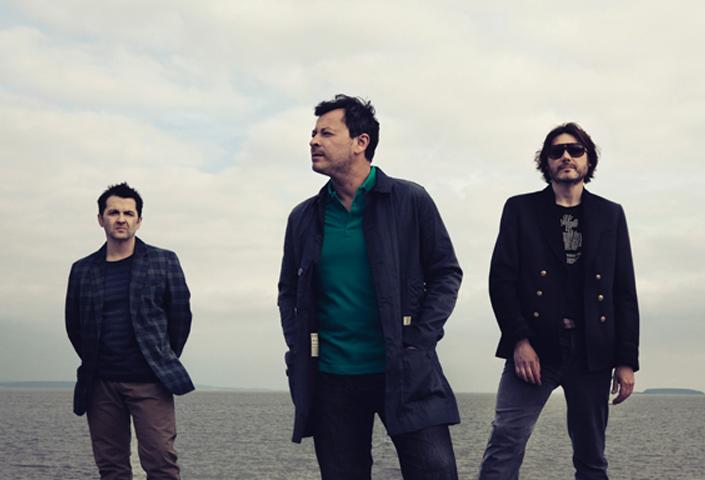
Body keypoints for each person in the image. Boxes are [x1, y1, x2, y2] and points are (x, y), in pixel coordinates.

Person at [278, 94, 463, 479]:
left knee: (435, 472)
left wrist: (420, 339)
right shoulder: (303, 217)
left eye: (326, 133)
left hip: (405, 370)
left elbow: (446, 273)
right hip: (331, 378)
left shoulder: (410, 200)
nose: (313, 141)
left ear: (360, 142)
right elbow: (288, 292)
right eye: (313, 133)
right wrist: (298, 346)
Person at [478, 123, 640, 479]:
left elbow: (624, 292)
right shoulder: (520, 209)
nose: (566, 156)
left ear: (588, 160)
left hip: (593, 351)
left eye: (575, 150)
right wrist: (519, 341)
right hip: (535, 346)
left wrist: (626, 360)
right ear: (547, 162)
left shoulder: (611, 214)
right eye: (557, 151)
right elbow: (501, 280)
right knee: (506, 442)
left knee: (591, 456)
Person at [65, 182, 194, 480]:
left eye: (128, 213)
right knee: (111, 468)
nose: (121, 219)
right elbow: (74, 325)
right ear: (101, 219)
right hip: (101, 385)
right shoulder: (82, 269)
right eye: (113, 213)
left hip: (150, 382)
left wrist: (161, 357)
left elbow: (180, 318)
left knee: (161, 463)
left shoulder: (164, 261)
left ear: (139, 220)